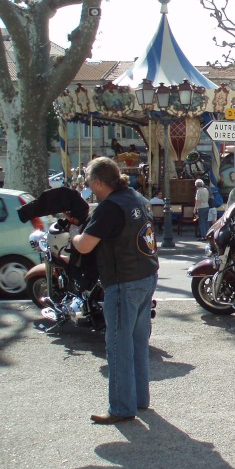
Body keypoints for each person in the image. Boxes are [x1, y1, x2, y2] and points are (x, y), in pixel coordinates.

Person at [71, 157, 158, 424]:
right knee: (138, 342)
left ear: (98, 182)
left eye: (88, 181)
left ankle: (121, 407)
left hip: (123, 281)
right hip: (146, 275)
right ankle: (140, 399)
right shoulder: (135, 197)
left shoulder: (109, 208)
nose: (87, 185)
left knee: (119, 346)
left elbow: (84, 246)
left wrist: (74, 233)